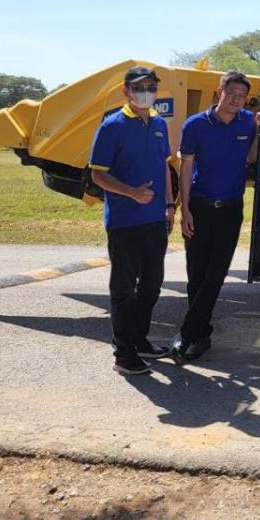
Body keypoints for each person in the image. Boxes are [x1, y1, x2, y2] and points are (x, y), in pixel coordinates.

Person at [171, 71, 260, 363]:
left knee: (215, 274)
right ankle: (201, 336)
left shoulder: (247, 121)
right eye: (232, 94)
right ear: (219, 92)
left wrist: (259, 131)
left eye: (242, 97)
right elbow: (185, 169)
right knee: (196, 275)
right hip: (199, 206)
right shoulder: (195, 125)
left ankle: (186, 335)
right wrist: (184, 209)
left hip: (230, 209)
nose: (236, 101)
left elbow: (251, 158)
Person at [88, 66, 175, 376]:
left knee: (152, 284)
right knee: (124, 289)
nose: (146, 92)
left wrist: (169, 204)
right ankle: (123, 355)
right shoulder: (112, 126)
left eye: (151, 86)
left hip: (155, 220)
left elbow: (165, 167)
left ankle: (139, 340)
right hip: (125, 222)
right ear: (125, 91)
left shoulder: (159, 125)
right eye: (139, 87)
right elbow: (98, 173)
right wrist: (132, 193)